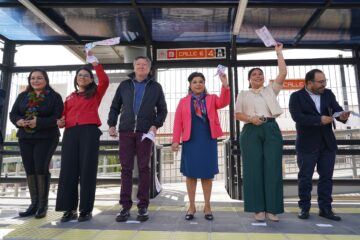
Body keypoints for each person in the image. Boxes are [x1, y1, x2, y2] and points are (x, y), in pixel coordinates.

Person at [108, 56, 167, 222]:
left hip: (145, 132)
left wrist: (155, 125)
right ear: (134, 67)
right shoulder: (124, 85)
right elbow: (115, 106)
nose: (141, 67)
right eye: (138, 64)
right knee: (125, 169)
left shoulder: (155, 87)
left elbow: (162, 109)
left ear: (149, 68)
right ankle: (125, 206)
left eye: (144, 65)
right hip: (126, 131)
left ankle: (143, 206)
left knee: (144, 169)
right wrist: (112, 124)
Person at [235, 43, 287, 222]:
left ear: (264, 78)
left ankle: (272, 209)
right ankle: (258, 208)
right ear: (249, 79)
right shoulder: (243, 94)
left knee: (273, 168)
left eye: (260, 74)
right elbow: (238, 114)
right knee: (253, 170)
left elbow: (283, 73)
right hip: (250, 130)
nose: (258, 76)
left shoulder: (271, 90)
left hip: (271, 128)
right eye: (254, 74)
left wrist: (279, 53)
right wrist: (250, 119)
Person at [289, 69, 350, 221]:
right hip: (306, 144)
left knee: (326, 177)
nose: (324, 84)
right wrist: (318, 120)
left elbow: (336, 110)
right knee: (305, 178)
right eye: (320, 82)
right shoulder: (296, 96)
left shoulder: (328, 94)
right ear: (309, 83)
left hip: (327, 143)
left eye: (325, 81)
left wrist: (342, 115)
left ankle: (325, 209)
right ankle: (304, 208)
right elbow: (298, 117)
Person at [55, 52, 109, 222]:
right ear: (76, 79)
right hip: (70, 134)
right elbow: (62, 117)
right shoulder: (70, 97)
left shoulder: (95, 93)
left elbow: (105, 80)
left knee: (87, 171)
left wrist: (95, 62)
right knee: (68, 171)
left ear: (91, 80)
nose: (83, 77)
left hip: (89, 133)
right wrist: (60, 121)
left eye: (86, 75)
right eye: (80, 75)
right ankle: (68, 209)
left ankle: (85, 209)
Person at [171, 71, 230, 221]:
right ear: (190, 85)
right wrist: (175, 140)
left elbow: (224, 102)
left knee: (207, 174)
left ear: (204, 85)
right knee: (190, 175)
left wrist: (225, 84)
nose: (198, 84)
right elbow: (178, 122)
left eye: (201, 81)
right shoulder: (183, 101)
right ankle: (191, 206)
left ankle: (207, 206)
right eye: (195, 82)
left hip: (208, 141)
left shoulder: (212, 99)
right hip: (191, 141)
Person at [9, 69, 63, 219]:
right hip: (25, 137)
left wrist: (37, 122)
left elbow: (57, 117)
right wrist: (18, 121)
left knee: (40, 168)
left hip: (46, 137)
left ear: (46, 80)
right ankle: (33, 204)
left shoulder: (54, 97)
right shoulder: (22, 96)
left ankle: (42, 205)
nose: (35, 81)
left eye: (39, 78)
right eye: (33, 78)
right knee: (30, 169)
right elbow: (13, 114)